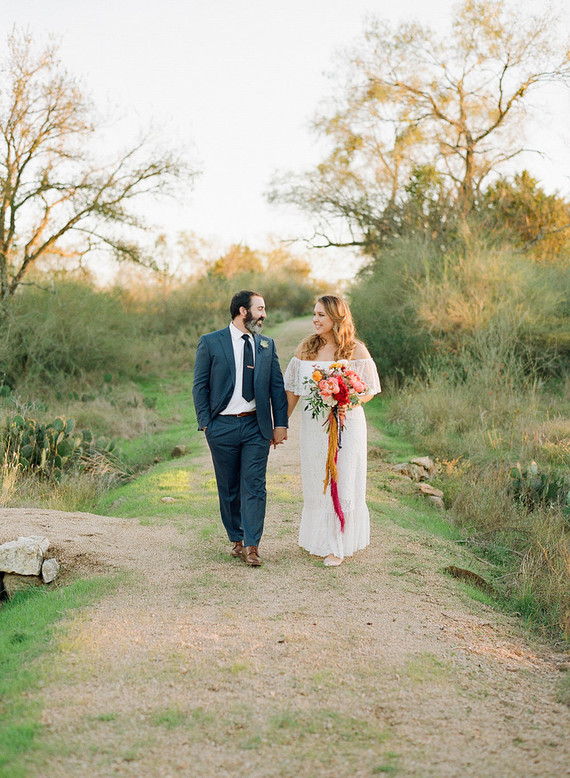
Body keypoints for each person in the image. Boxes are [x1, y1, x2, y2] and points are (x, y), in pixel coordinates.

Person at [192, 290, 288, 566]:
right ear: (243, 311)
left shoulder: (267, 345)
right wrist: (206, 424)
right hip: (221, 426)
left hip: (256, 426)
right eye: (260, 308)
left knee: (255, 485)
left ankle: (252, 545)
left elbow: (277, 388)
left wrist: (279, 424)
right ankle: (236, 537)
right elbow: (200, 385)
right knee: (229, 486)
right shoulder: (211, 342)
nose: (264, 314)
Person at [284, 295, 381, 566]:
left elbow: (369, 389)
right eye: (314, 314)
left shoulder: (355, 350)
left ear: (337, 318)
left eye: (321, 315)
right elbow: (291, 390)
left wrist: (346, 398)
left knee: (344, 477)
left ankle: (338, 544)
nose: (315, 319)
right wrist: (281, 424)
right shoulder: (306, 348)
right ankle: (320, 539)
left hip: (347, 424)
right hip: (315, 426)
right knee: (318, 478)